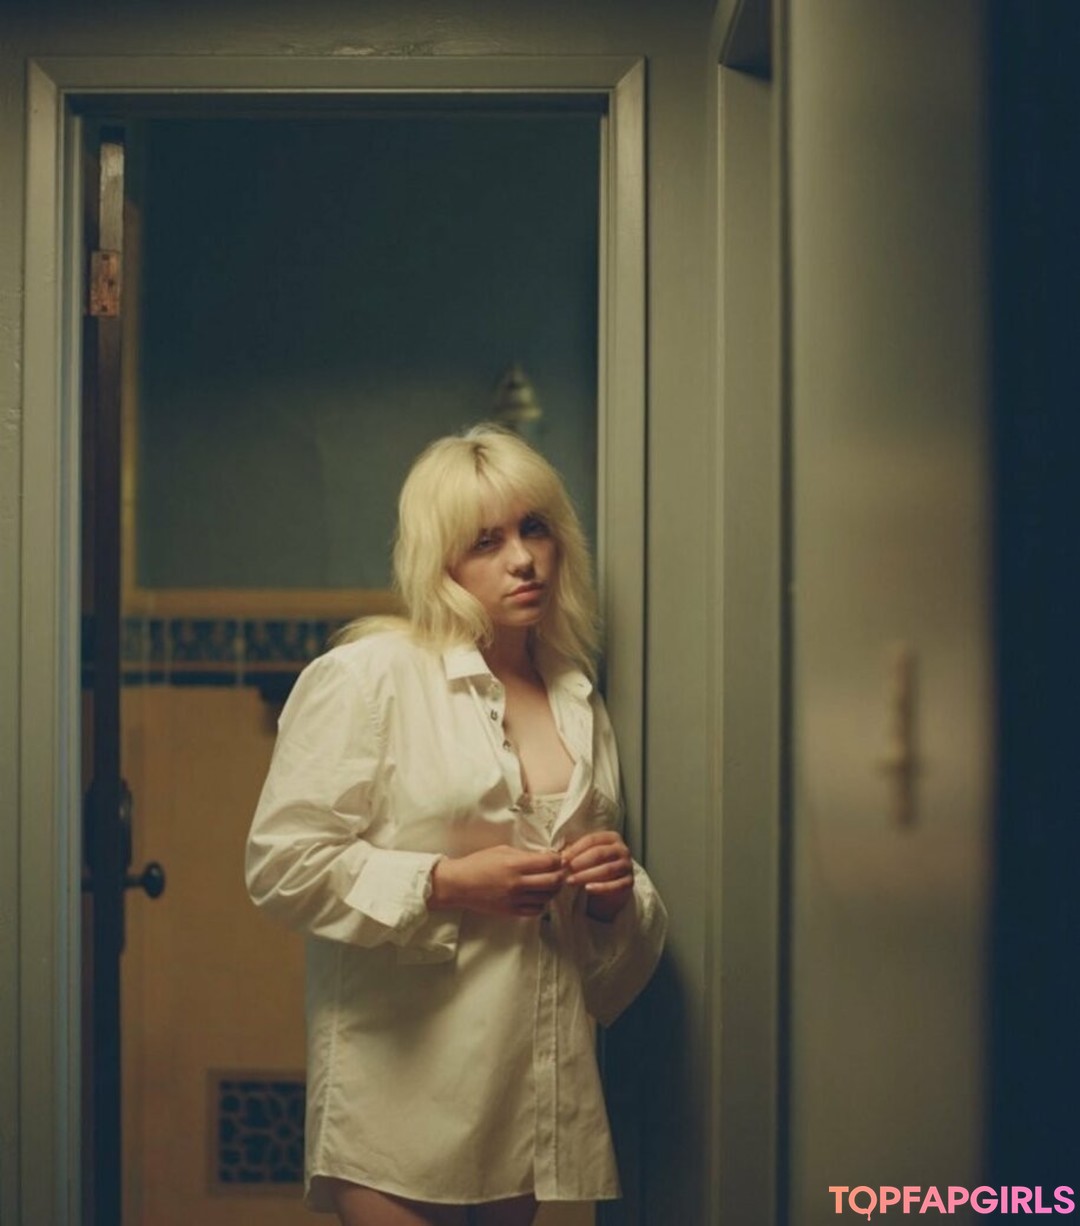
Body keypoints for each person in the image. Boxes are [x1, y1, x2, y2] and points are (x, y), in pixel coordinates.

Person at [245, 424, 667, 1226]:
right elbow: (280, 866)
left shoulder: (578, 698)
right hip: (398, 1095)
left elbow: (603, 965)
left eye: (534, 528)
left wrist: (613, 897)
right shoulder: (369, 678)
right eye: (486, 541)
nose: (522, 559)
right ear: (440, 561)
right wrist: (445, 883)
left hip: (532, 1096)